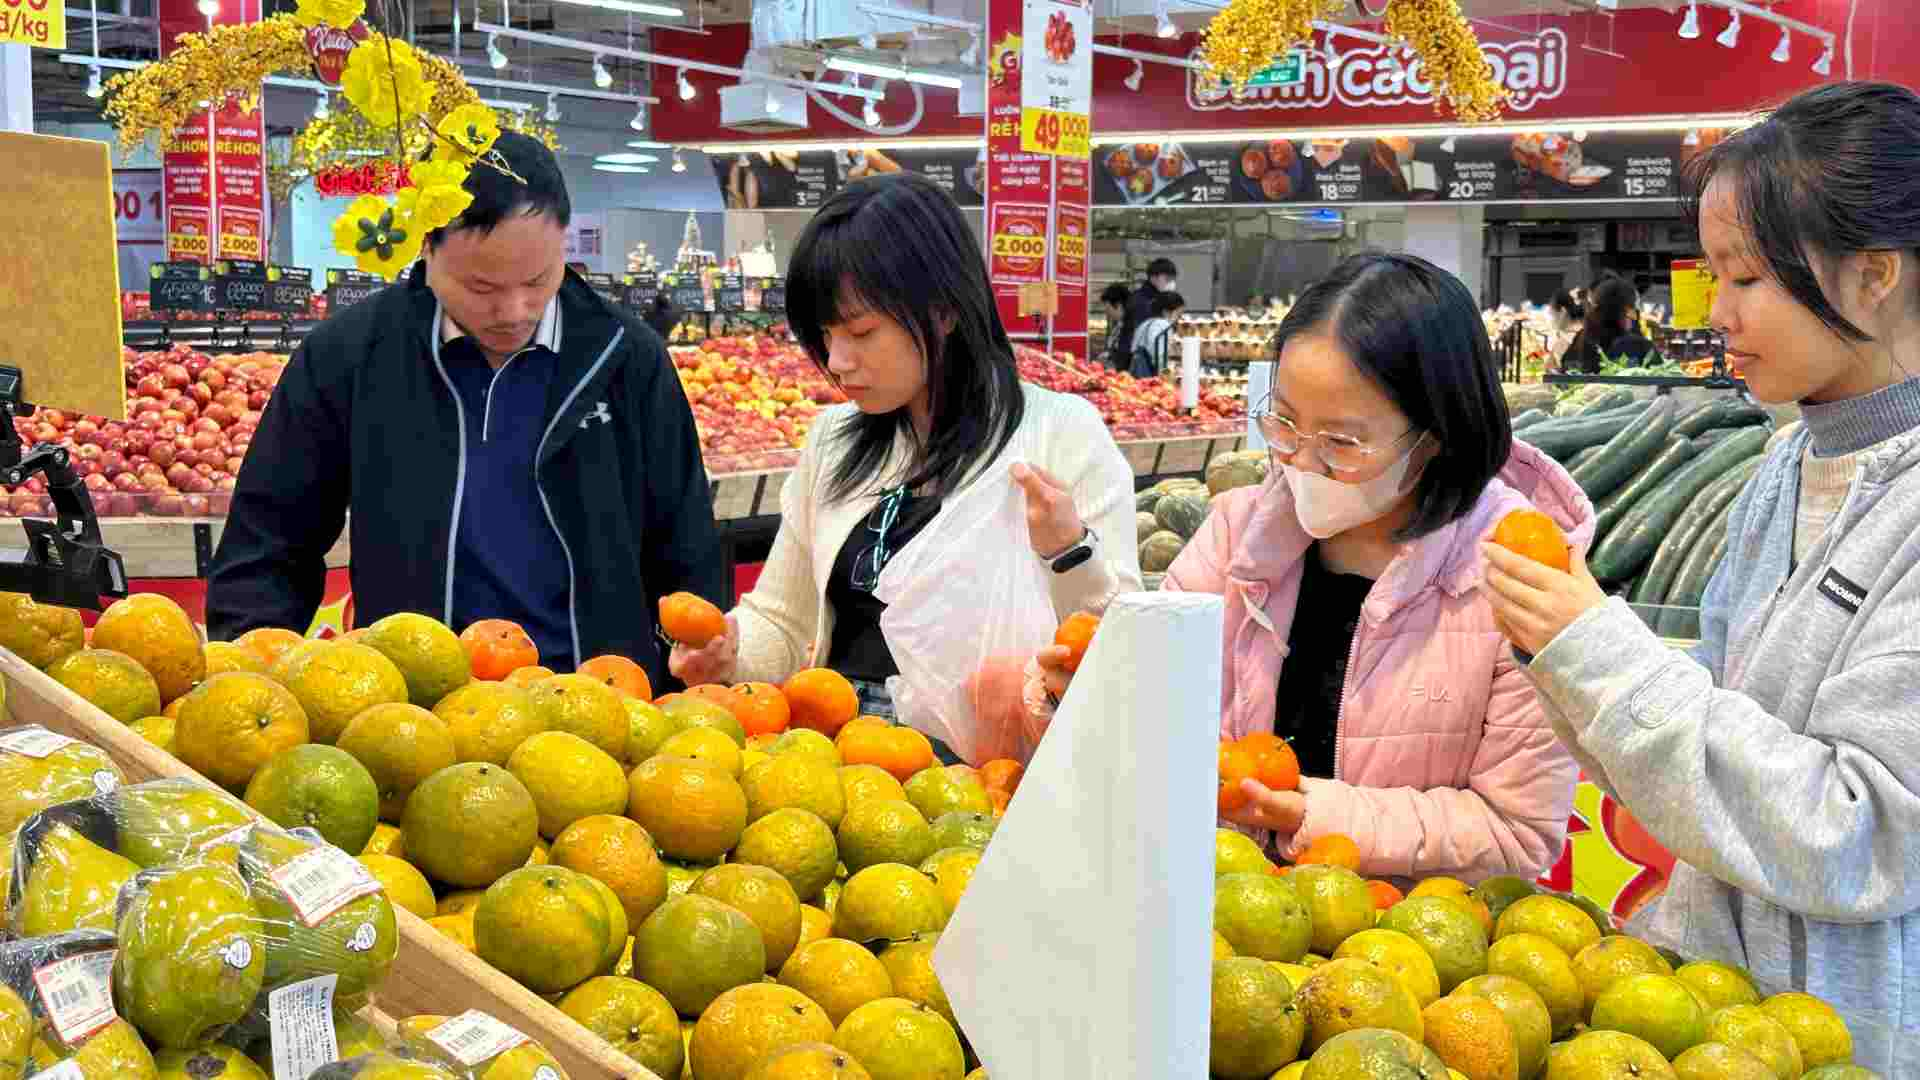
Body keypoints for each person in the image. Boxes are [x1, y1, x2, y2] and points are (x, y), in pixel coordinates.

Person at [1482, 81, 1920, 1070]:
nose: (1714, 311)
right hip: (1707, 1022)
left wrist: (1597, 647)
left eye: (1748, 277)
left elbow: (1861, 833)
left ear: (1874, 275)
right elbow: (1707, 766)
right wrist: (1558, 658)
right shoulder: (1781, 469)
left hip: (1849, 1041)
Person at [1033, 252, 1589, 882]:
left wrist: (1314, 814)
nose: (1301, 462)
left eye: (1342, 443)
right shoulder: (1235, 536)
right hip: (1223, 918)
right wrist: (1090, 695)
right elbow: (1156, 720)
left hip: (1412, 955)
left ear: (1436, 435)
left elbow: (1516, 832)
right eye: (1286, 425)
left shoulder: (1520, 580)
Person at [208, 132, 725, 685]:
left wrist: (692, 680)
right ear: (427, 250)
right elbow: (269, 541)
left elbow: (685, 543)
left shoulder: (626, 358)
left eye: (537, 280)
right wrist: (242, 675)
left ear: (563, 244)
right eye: (480, 286)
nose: (513, 310)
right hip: (415, 719)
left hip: (602, 708)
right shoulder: (351, 357)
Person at [669, 173, 1141, 760]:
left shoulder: (1061, 436)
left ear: (942, 311)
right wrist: (729, 648)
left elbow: (1120, 643)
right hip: (829, 770)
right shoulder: (833, 442)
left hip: (984, 779)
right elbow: (783, 621)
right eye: (825, 335)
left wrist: (1070, 551)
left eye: (861, 331)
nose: (838, 361)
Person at [1560, 276, 1655, 374]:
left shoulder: (1582, 337)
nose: (1635, 315)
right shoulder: (1638, 345)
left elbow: (1565, 373)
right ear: (1627, 310)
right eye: (1634, 308)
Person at [1118, 257, 1179, 370]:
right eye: (1167, 278)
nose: (1171, 282)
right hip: (1136, 361)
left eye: (1172, 279)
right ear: (1153, 277)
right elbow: (1144, 333)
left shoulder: (1160, 298)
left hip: (1145, 357)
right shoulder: (1141, 300)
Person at [1130, 291, 1185, 378]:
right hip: (1151, 377)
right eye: (1178, 314)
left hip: (1136, 373)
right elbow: (1160, 358)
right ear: (1166, 312)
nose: (1179, 319)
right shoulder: (1163, 325)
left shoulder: (1145, 324)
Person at [1100, 282, 1133, 370]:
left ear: (1118, 305)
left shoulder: (1130, 328)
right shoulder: (1119, 324)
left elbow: (1124, 360)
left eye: (1108, 308)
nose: (1106, 312)